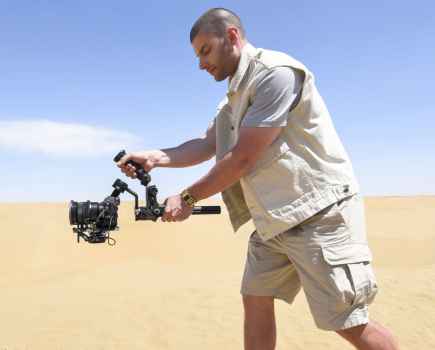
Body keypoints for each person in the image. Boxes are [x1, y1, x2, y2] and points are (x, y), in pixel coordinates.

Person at [117, 7, 400, 350]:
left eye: (205, 50)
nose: (201, 64)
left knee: (345, 321)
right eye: (197, 55)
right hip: (274, 221)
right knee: (255, 299)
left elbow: (243, 158)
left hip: (319, 214)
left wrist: (188, 198)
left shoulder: (275, 74)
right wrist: (156, 157)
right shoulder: (232, 100)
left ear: (232, 36)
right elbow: (208, 144)